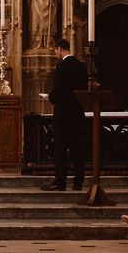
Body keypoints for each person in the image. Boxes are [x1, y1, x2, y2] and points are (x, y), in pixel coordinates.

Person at [40, 38, 88, 192]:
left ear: (60, 49)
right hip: (77, 112)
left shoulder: (61, 66)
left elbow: (58, 88)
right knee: (77, 147)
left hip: (62, 113)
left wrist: (50, 97)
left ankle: (60, 181)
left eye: (56, 51)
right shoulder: (82, 66)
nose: (56, 54)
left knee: (60, 147)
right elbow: (83, 89)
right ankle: (78, 181)